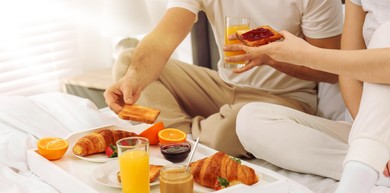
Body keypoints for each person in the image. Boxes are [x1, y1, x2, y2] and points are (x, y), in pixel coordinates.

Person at [104, 0, 343, 158]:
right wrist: (134, 79)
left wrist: (272, 57)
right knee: (128, 62)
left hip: (284, 99)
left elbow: (330, 70)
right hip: (222, 85)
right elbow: (162, 38)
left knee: (234, 124)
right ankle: (186, 137)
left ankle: (181, 135)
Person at [224, 0, 390, 193]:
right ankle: (373, 166)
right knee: (251, 120)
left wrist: (304, 54)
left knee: (387, 32)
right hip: (369, 128)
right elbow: (347, 73)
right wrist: (375, 143)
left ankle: (353, 192)